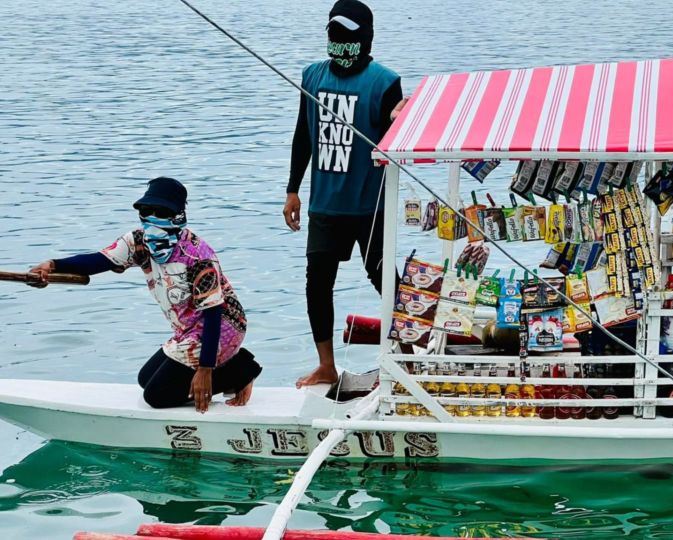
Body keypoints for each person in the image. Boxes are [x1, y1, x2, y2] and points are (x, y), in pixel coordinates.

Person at [29, 177, 260, 413]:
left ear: (177, 215)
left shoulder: (197, 256)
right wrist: (52, 265)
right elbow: (98, 261)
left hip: (222, 326)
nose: (151, 216)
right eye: (145, 210)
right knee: (145, 379)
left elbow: (212, 312)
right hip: (187, 330)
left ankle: (242, 371)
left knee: (157, 396)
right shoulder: (139, 242)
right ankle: (231, 371)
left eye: (159, 211)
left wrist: (205, 369)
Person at [284, 0, 407, 387]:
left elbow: (395, 137)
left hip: (370, 204)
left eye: (348, 36)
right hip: (325, 203)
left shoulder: (385, 82)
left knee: (384, 278)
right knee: (317, 281)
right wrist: (292, 190)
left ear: (365, 39)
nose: (339, 42)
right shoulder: (312, 76)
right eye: (334, 34)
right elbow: (303, 135)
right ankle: (326, 365)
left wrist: (397, 120)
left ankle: (407, 357)